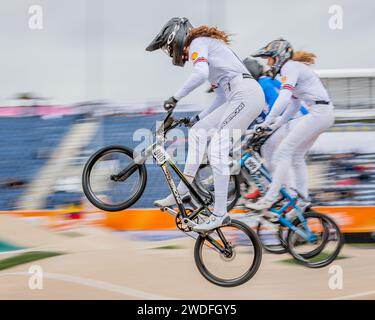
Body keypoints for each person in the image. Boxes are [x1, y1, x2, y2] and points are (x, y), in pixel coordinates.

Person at [146, 18, 265, 231]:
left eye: (169, 47)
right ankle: (183, 191)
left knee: (217, 148)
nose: (171, 52)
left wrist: (175, 97)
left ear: (178, 38)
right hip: (237, 96)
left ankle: (220, 213)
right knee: (197, 132)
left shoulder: (198, 42)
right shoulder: (206, 48)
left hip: (245, 95)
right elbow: (220, 98)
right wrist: (198, 118)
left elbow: (199, 74)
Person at [245, 38, 334, 211]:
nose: (269, 64)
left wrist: (269, 120)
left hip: (319, 113)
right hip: (322, 113)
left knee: (281, 154)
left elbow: (283, 98)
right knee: (296, 156)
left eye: (269, 59)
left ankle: (271, 197)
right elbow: (292, 106)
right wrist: (272, 125)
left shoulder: (290, 68)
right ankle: (302, 201)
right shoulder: (292, 69)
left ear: (278, 57)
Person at [242, 58, 309, 200]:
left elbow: (277, 105)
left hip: (294, 120)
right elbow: (258, 114)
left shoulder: (264, 83)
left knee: (275, 153)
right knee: (267, 150)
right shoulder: (261, 85)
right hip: (290, 121)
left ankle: (283, 192)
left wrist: (263, 128)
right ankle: (272, 187)